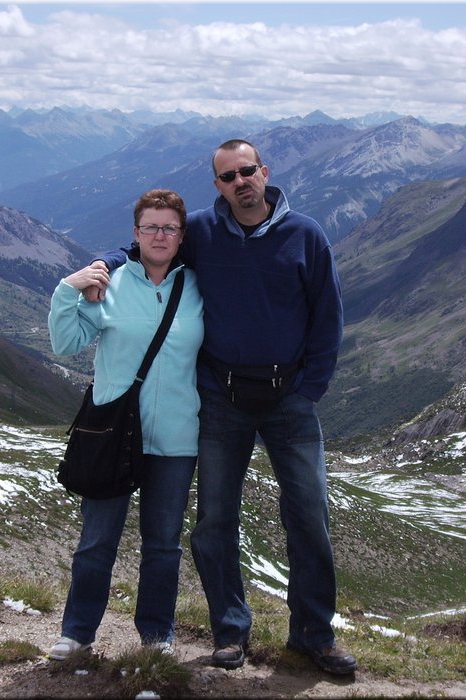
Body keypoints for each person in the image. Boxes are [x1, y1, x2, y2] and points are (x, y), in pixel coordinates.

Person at [89, 140, 355, 675]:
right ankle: (230, 631)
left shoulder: (305, 235)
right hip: (222, 397)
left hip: (289, 399)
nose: (240, 182)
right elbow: (149, 245)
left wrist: (310, 388)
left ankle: (314, 634)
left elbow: (328, 314)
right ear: (217, 185)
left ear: (265, 172)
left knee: (309, 516)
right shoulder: (202, 233)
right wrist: (107, 263)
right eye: (228, 176)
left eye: (247, 171)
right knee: (215, 520)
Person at [47, 189, 204, 660]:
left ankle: (157, 638)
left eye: (169, 228)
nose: (160, 236)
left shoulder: (198, 285)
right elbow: (66, 342)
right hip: (113, 434)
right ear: (136, 233)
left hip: (176, 437)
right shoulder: (109, 282)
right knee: (97, 541)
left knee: (163, 546)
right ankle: (77, 634)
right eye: (151, 227)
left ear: (182, 235)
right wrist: (67, 289)